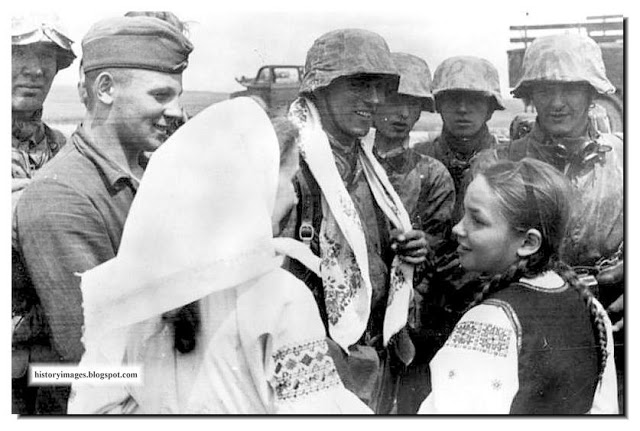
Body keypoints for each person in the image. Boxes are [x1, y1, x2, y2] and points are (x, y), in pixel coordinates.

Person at [67, 97, 371, 414]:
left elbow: (92, 409)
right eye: (286, 180)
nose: (294, 196)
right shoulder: (282, 297)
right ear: (252, 186)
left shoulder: (128, 287)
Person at [13, 14, 193, 414]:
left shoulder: (153, 175)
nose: (177, 111)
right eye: (161, 95)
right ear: (106, 89)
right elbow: (92, 361)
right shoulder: (61, 197)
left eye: (178, 96)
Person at [283, 29, 428, 413]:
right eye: (360, 85)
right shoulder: (288, 165)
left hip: (369, 356)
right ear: (320, 87)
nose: (375, 99)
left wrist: (407, 249)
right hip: (311, 359)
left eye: (380, 87)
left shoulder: (365, 165)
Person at [418, 158, 618, 414]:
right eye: (463, 214)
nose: (458, 228)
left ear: (528, 243)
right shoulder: (589, 307)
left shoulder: (490, 321)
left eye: (477, 221)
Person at [498, 33, 624, 410]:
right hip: (531, 329)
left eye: (570, 89)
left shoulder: (623, 157)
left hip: (615, 322)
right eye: (545, 89)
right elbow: (477, 258)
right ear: (530, 95)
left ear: (591, 94)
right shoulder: (501, 165)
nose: (556, 103)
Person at [400, 56, 508, 413]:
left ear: (491, 107)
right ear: (437, 105)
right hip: (424, 310)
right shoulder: (414, 160)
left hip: (486, 302)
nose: (463, 109)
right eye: (451, 99)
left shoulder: (508, 165)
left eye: (475, 100)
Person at [364, 52, 456, 413]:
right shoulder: (345, 168)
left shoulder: (432, 175)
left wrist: (423, 250)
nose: (402, 114)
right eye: (392, 100)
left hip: (412, 317)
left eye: (412, 105)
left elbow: (442, 248)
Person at [11, 12, 77, 415]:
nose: (34, 69)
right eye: (18, 53)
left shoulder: (66, 150)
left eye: (47, 57)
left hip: (53, 360)